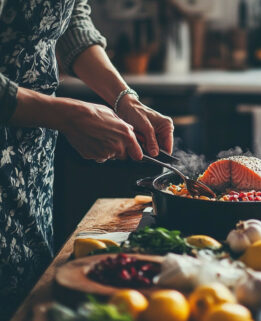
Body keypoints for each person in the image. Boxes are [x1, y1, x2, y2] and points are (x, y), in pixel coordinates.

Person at [0, 1, 174, 319]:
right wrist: (67, 113)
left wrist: (124, 98)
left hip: (32, 148)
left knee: (29, 285)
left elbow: (69, 17)